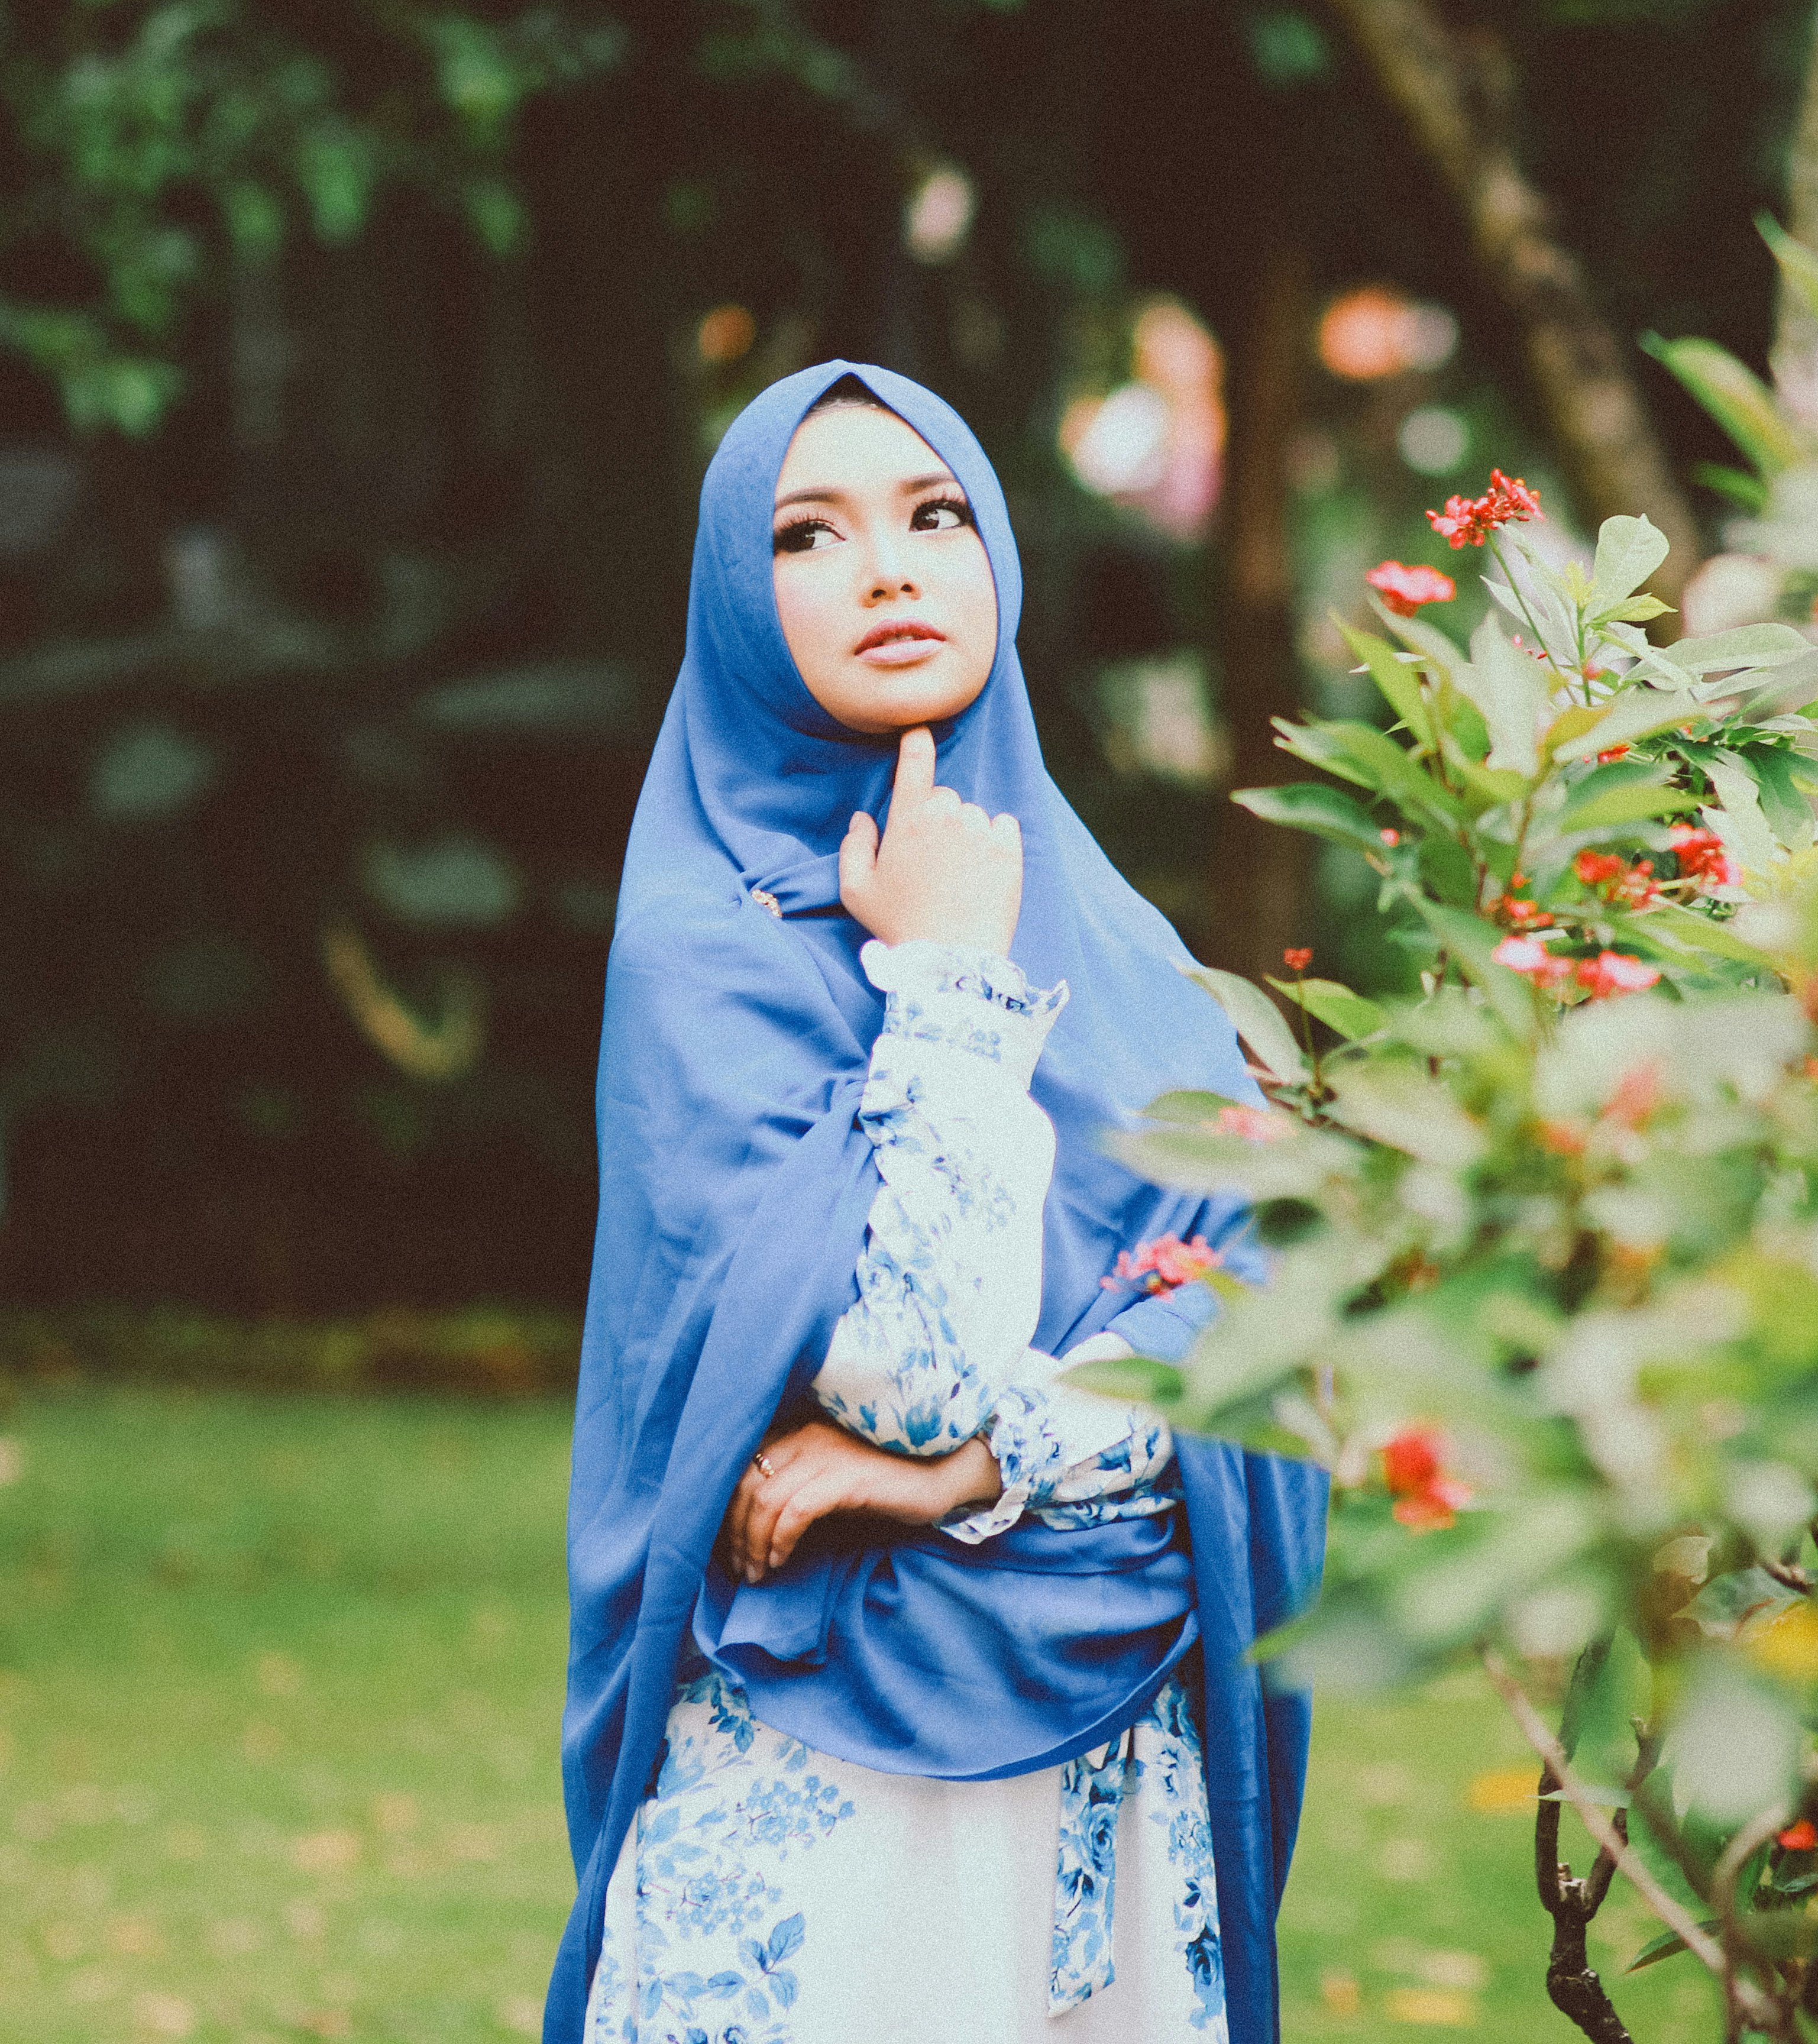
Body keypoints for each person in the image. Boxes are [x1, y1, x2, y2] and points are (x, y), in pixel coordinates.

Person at [549, 362, 1329, 2044]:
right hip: (817, 1790)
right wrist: (951, 982)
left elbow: (1263, 1331)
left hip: (1113, 1801)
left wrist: (972, 1476)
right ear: (736, 607)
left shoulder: (1117, 947)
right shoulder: (708, 955)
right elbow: (906, 1375)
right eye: (809, 535)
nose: (890, 568)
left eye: (934, 515)